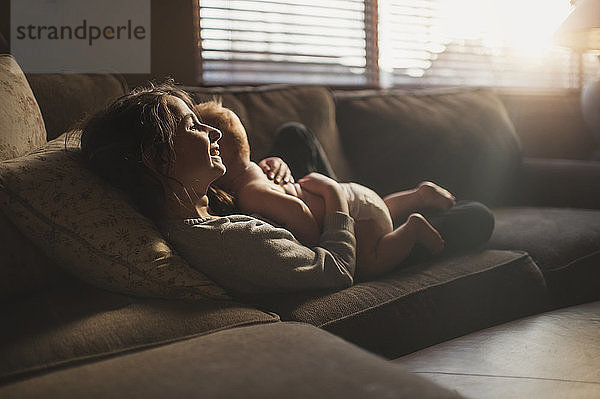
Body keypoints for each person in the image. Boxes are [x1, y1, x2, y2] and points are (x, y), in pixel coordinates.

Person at [80, 82, 356, 295]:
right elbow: (337, 271)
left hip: (296, 195)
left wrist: (268, 169)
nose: (215, 132)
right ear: (159, 158)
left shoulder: (198, 201)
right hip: (341, 213)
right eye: (193, 126)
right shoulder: (234, 240)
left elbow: (244, 176)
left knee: (293, 135)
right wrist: (335, 195)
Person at [195, 100, 483, 280]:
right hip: (355, 197)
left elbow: (297, 211)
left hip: (348, 212)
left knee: (369, 261)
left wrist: (311, 239)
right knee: (473, 216)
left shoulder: (249, 191)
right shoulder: (251, 179)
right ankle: (418, 197)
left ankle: (413, 229)